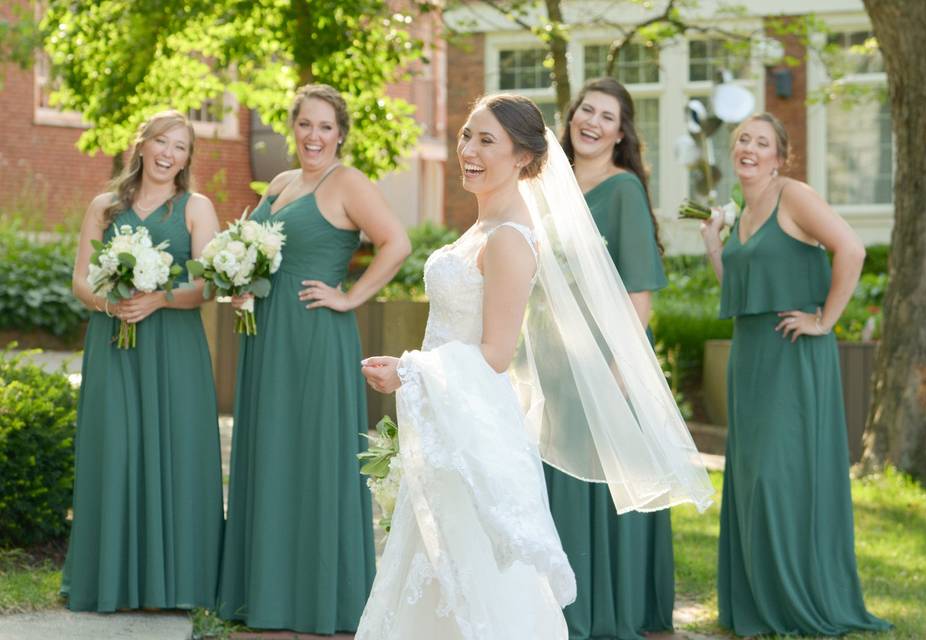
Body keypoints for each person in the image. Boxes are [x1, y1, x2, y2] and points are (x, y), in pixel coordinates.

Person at [356, 94, 712, 639]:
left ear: (523, 157)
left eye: (486, 141)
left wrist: (410, 372)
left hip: (473, 422)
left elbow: (496, 354)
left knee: (476, 571)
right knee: (437, 561)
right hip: (453, 417)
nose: (469, 151)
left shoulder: (508, 239)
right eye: (467, 136)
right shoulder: (486, 226)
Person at [217, 83, 411, 635]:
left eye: (326, 126)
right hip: (266, 336)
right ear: (292, 127)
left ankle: (321, 599)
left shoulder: (347, 182)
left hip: (314, 338)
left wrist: (348, 295)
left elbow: (396, 242)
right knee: (271, 452)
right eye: (305, 124)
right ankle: (265, 594)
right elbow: (258, 252)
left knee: (312, 457)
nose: (314, 135)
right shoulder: (279, 184)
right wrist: (242, 285)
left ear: (340, 134)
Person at [699, 112, 892, 636]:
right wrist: (716, 246)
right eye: (743, 139)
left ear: (778, 157)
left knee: (776, 479)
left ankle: (794, 598)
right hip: (751, 353)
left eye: (762, 143)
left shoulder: (794, 195)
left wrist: (824, 321)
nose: (750, 149)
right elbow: (739, 288)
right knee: (750, 479)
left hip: (792, 352)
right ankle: (757, 604)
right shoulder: (741, 210)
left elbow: (851, 249)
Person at [62, 110, 223, 612]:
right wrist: (113, 303)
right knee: (116, 450)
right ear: (142, 144)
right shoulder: (105, 207)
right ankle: (111, 581)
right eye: (160, 141)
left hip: (175, 347)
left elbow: (210, 283)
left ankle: (178, 585)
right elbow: (81, 279)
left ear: (186, 159)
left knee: (177, 450)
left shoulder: (196, 207)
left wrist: (160, 298)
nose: (167, 153)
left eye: (179, 146)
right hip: (114, 343)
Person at [552, 77, 674, 637]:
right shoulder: (548, 184)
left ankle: (605, 606)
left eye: (606, 116)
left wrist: (622, 370)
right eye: (586, 110)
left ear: (621, 133)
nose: (592, 122)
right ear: (571, 115)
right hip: (554, 360)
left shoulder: (623, 189)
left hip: (607, 361)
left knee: (600, 480)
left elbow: (639, 293)